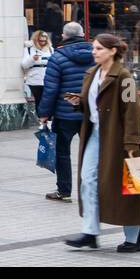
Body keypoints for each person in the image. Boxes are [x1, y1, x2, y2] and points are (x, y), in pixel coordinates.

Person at [63, 34, 140, 253]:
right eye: (94, 48)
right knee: (88, 180)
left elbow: (132, 111)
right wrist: (79, 102)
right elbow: (93, 104)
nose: (94, 52)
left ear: (113, 51)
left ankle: (133, 239)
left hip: (119, 138)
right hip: (94, 134)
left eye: (99, 49)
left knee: (131, 186)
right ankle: (90, 233)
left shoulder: (125, 76)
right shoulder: (92, 74)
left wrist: (132, 143)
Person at [37, 20, 94, 202]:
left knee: (62, 153)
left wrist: (44, 113)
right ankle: (93, 189)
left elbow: (51, 89)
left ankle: (64, 190)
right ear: (83, 34)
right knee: (91, 151)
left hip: (65, 114)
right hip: (90, 113)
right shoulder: (96, 54)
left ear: (64, 36)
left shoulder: (58, 57)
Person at [22, 29, 53, 118]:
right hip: (35, 79)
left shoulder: (50, 49)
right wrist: (32, 59)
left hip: (48, 78)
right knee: (39, 99)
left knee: (48, 100)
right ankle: (42, 120)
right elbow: (24, 65)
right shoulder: (29, 49)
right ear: (36, 39)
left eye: (45, 40)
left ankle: (48, 120)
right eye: (41, 40)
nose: (43, 42)